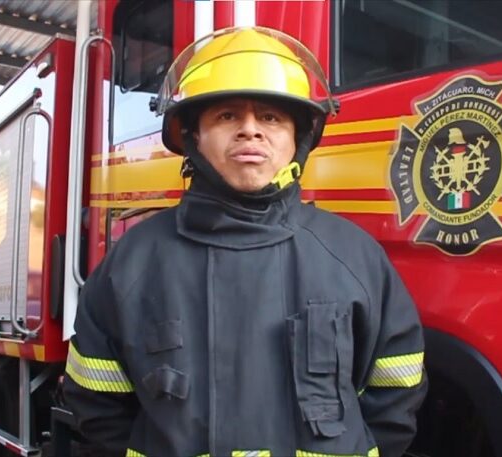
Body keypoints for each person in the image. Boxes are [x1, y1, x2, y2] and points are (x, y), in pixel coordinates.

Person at [63, 26, 427, 457]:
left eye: (271, 117)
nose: (250, 131)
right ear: (192, 136)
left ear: (299, 138)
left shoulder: (356, 257)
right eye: (227, 115)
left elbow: (395, 397)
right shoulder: (133, 262)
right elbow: (96, 406)